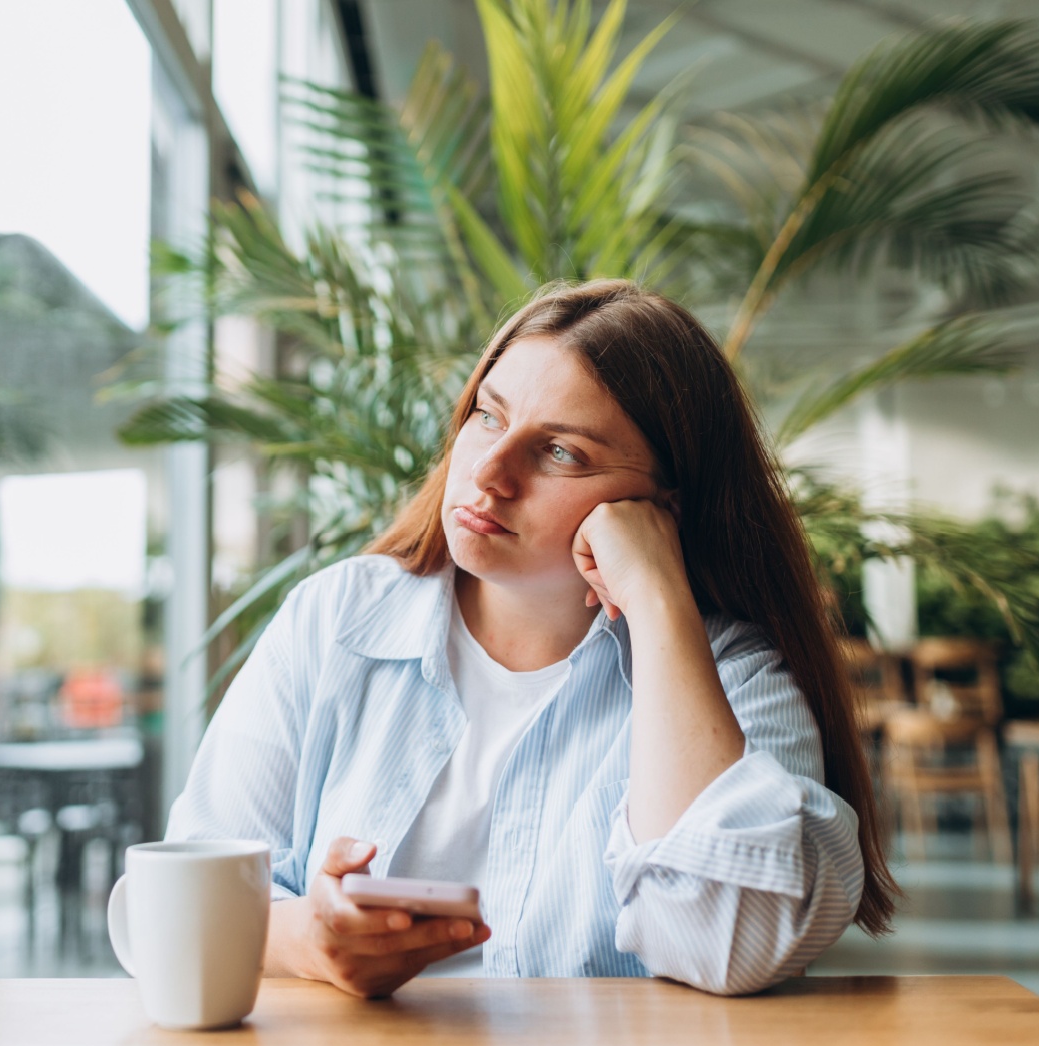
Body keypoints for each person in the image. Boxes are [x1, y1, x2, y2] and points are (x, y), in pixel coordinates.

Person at [166, 279, 896, 998]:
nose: (489, 472)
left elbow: (733, 944)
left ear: (660, 508)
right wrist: (308, 942)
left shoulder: (736, 677)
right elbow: (171, 910)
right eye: (489, 415)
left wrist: (657, 596)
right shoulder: (334, 621)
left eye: (561, 454)